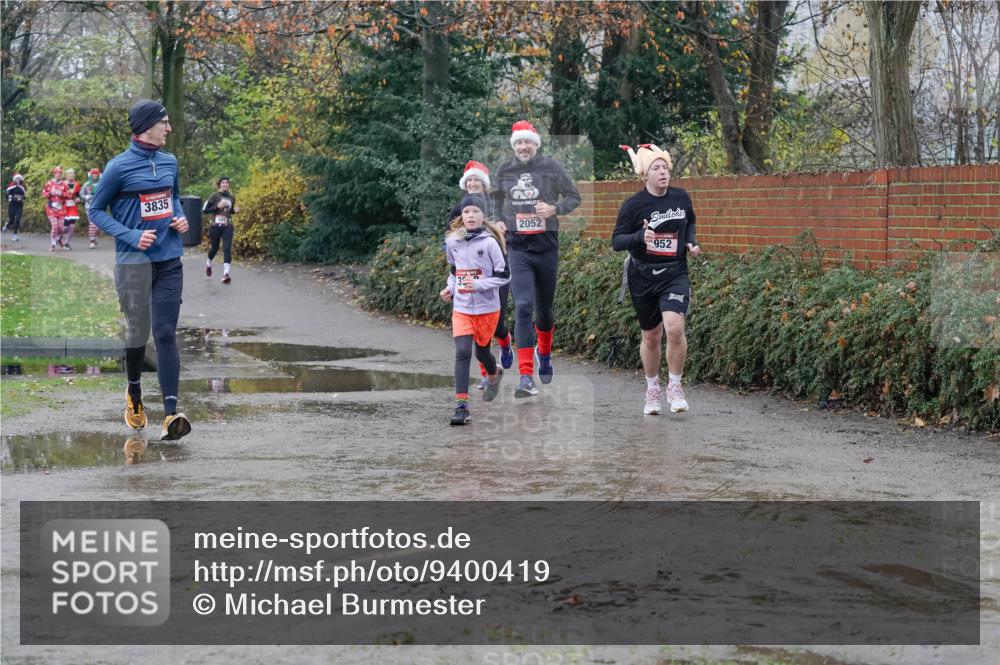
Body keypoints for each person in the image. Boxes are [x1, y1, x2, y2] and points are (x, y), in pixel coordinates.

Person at [87, 99, 192, 441]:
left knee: (164, 334)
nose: (169, 128)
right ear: (147, 125)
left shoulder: (169, 161)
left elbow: (173, 196)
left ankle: (171, 413)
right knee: (137, 333)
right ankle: (134, 394)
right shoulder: (118, 168)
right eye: (165, 122)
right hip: (133, 263)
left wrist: (179, 216)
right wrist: (131, 234)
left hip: (169, 261)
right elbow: (96, 210)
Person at [490, 120, 581, 397]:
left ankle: (545, 354)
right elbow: (494, 197)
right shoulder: (505, 169)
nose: (523, 147)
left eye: (527, 142)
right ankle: (526, 376)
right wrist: (497, 220)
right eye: (518, 143)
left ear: (535, 144)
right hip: (518, 249)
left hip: (546, 249)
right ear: (514, 146)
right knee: (523, 306)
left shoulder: (551, 167)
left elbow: (574, 197)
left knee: (544, 311)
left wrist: (554, 209)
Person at [612, 144, 701, 415]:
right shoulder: (633, 205)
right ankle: (652, 389)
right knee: (651, 336)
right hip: (642, 275)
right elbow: (617, 242)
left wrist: (691, 243)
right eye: (656, 168)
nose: (663, 172)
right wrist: (641, 238)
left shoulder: (681, 198)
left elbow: (691, 222)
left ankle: (675, 386)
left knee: (674, 328)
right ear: (645, 176)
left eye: (665, 167)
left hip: (675, 272)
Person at [440, 194, 510, 425]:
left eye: (475, 212)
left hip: (487, 308)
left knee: (482, 353)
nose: (471, 216)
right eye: (467, 212)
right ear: (462, 215)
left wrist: (479, 285)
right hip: (461, 307)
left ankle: (494, 374)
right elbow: (454, 271)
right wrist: (449, 288)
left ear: (483, 216)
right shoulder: (453, 242)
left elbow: (504, 275)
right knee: (462, 352)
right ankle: (461, 406)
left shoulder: (490, 242)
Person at [448, 160, 514, 389]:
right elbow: (451, 240)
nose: (473, 184)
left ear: (484, 184)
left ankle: (505, 342)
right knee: (472, 339)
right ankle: (487, 376)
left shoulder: (496, 205)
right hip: (467, 284)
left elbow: (508, 230)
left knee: (496, 327)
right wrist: (452, 283)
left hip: (492, 275)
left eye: (477, 180)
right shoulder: (460, 208)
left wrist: (502, 228)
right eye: (469, 181)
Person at [202, 176, 239, 284]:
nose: (225, 184)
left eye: (227, 183)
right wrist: (217, 207)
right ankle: (209, 264)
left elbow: (229, 210)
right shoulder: (214, 196)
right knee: (215, 247)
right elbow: (204, 210)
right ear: (219, 184)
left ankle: (226, 274)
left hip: (228, 226)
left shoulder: (232, 197)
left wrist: (234, 211)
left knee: (227, 248)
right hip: (215, 226)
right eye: (223, 182)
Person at [41, 167, 68, 251]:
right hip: (51, 208)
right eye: (57, 173)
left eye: (60, 173)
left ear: (61, 174)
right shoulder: (49, 183)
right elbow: (43, 194)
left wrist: (62, 194)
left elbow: (69, 195)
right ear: (54, 174)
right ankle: (53, 244)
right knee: (55, 226)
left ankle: (59, 239)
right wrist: (50, 193)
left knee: (61, 228)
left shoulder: (64, 184)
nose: (58, 174)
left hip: (62, 208)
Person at [80, 168, 102, 248]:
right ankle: (92, 241)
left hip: (99, 206)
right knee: (92, 223)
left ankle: (94, 238)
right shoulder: (87, 184)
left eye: (96, 174)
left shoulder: (101, 184)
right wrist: (87, 196)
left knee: (99, 226)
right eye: (93, 174)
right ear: (91, 175)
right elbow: (81, 194)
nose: (95, 175)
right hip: (89, 207)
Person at [61, 168, 82, 250]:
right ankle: (60, 238)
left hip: (73, 207)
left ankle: (66, 243)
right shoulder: (62, 184)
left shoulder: (76, 184)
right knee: (65, 227)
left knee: (72, 227)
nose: (71, 176)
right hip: (64, 207)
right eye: (69, 175)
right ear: (66, 176)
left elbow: (78, 195)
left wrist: (78, 199)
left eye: (72, 175)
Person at [5, 173, 26, 241]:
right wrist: (12, 198)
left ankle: (15, 235)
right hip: (12, 205)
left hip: (19, 206)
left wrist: (22, 197)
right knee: (11, 220)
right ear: (14, 179)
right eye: (17, 179)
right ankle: (7, 225)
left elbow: (24, 196)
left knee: (17, 220)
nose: (18, 180)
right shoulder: (11, 187)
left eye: (19, 179)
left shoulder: (22, 187)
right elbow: (7, 195)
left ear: (20, 180)